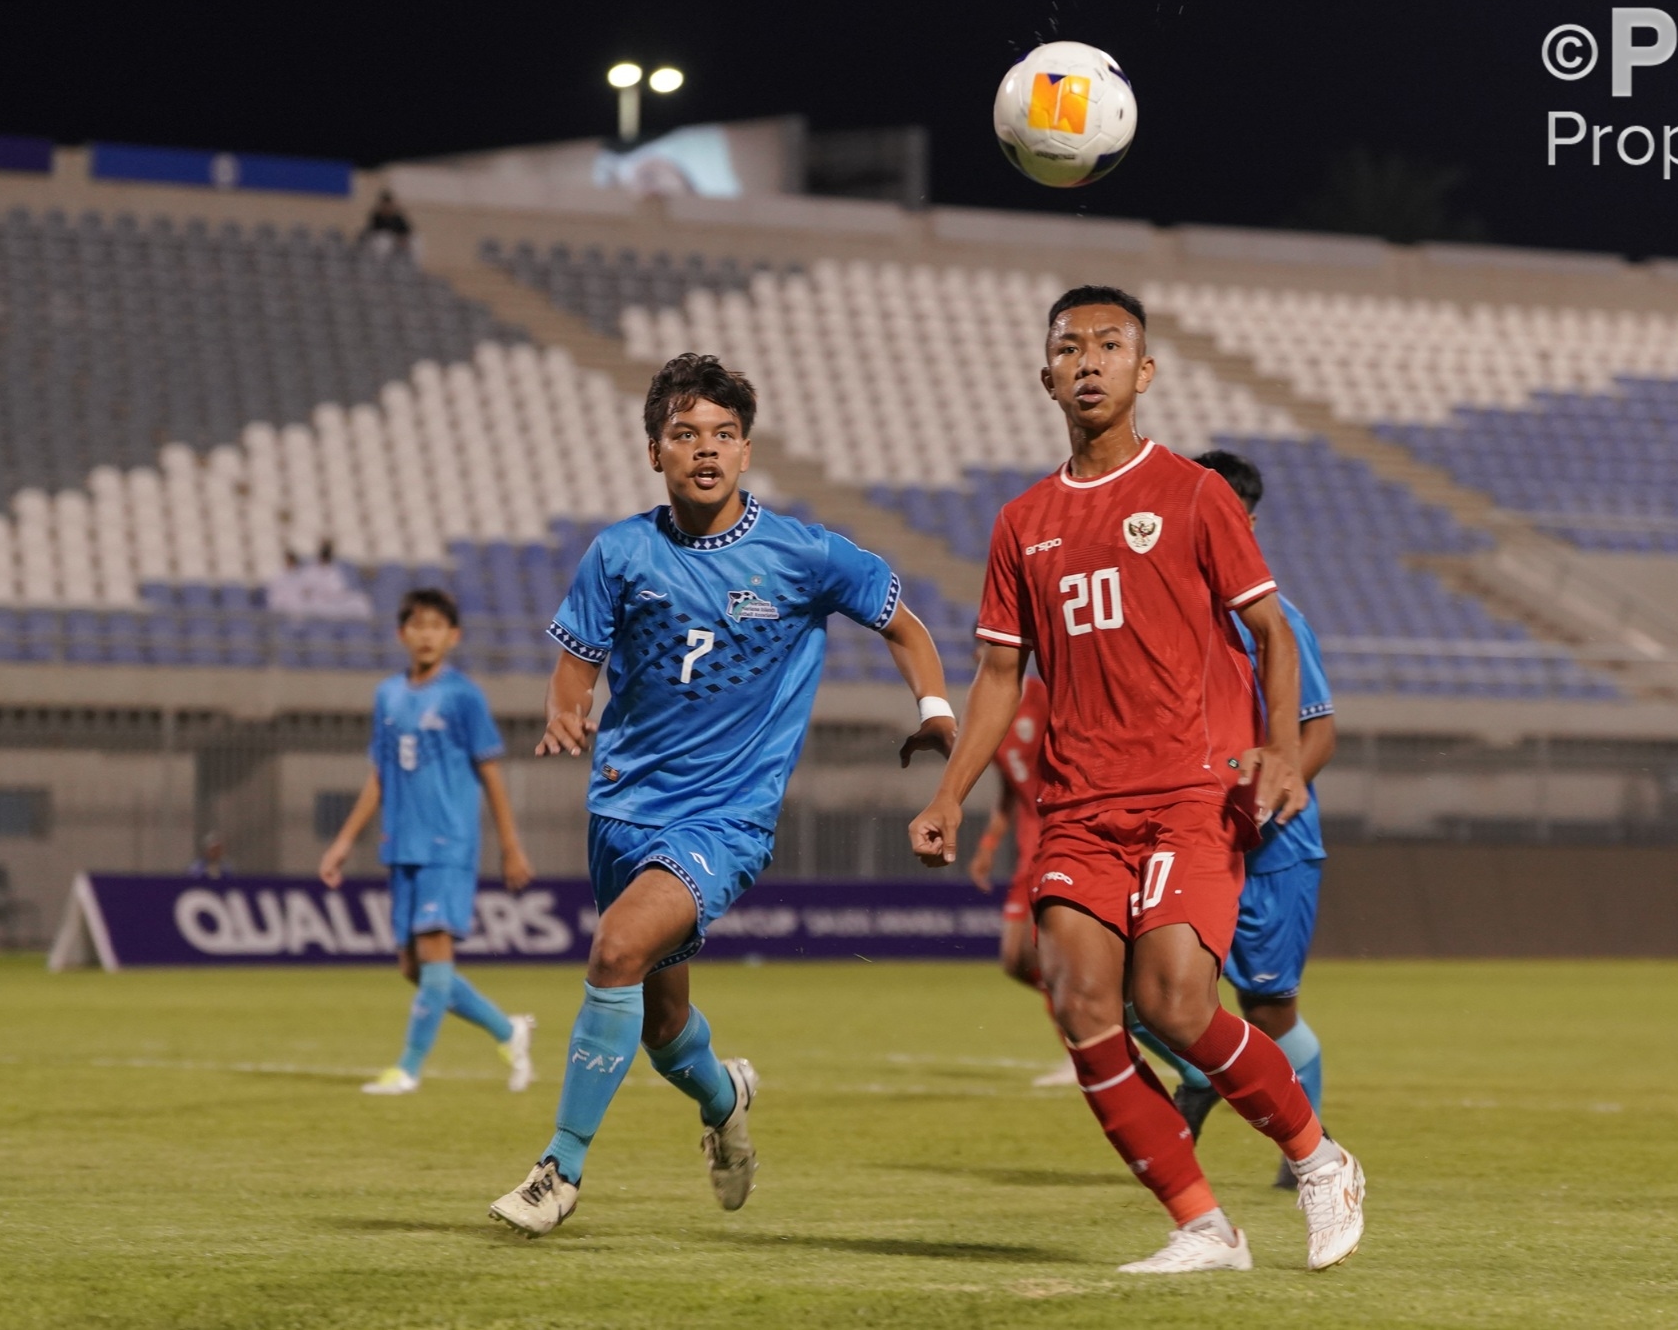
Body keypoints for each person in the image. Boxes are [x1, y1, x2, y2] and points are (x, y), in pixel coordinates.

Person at [909, 286, 1365, 1276]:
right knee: (1079, 1006)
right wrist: (949, 791)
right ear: (1044, 375)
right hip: (1075, 808)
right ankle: (1203, 1223)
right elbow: (998, 675)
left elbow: (1270, 629)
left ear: (1142, 371)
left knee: (1175, 1002)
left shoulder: (1195, 495)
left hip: (1186, 797)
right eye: (1067, 346)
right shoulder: (1019, 521)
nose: (1087, 360)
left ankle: (1319, 1156)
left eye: (1109, 345)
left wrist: (1281, 748)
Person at [487, 353, 955, 1240]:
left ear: (746, 450)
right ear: (654, 450)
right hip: (623, 809)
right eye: (686, 434)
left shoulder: (805, 553)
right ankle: (725, 1094)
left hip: (726, 818)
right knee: (664, 1027)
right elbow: (574, 664)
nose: (706, 449)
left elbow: (905, 621)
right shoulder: (619, 552)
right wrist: (566, 711)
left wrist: (933, 708)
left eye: (724, 435)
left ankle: (560, 1169)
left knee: (616, 945)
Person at [1128, 449, 1339, 1192]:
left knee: (1268, 1004)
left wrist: (1273, 791)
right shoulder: (1168, 611)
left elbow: (1319, 732)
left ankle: (1309, 1156)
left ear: (1240, 522)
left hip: (1274, 849)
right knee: (1132, 985)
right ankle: (1201, 1069)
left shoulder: (1278, 623)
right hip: (1191, 833)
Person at [318, 587, 536, 1096]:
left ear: (453, 636)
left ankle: (408, 1069)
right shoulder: (387, 695)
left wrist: (509, 844)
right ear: (402, 634)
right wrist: (344, 842)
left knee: (437, 955)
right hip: (402, 844)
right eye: (417, 626)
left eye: (437, 626)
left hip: (449, 842)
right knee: (415, 968)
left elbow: (490, 770)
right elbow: (379, 775)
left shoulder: (464, 695)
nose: (426, 635)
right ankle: (509, 1031)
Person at [965, 672, 1051, 990]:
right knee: (1015, 961)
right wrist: (988, 846)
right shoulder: (990, 717)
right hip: (1028, 847)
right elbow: (1009, 791)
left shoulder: (1042, 697)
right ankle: (1096, 1023)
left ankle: (1100, 1023)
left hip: (1058, 839)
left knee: (1047, 958)